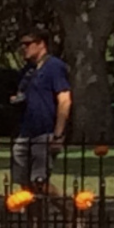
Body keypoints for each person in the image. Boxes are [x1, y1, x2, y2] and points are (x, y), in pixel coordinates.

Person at [11, 28, 71, 193]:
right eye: (22, 44)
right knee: (24, 183)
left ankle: (69, 208)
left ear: (41, 44)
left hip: (45, 131)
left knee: (39, 181)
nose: (23, 48)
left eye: (27, 44)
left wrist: (58, 134)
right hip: (25, 132)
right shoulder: (28, 70)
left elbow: (64, 99)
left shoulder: (54, 66)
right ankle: (34, 211)